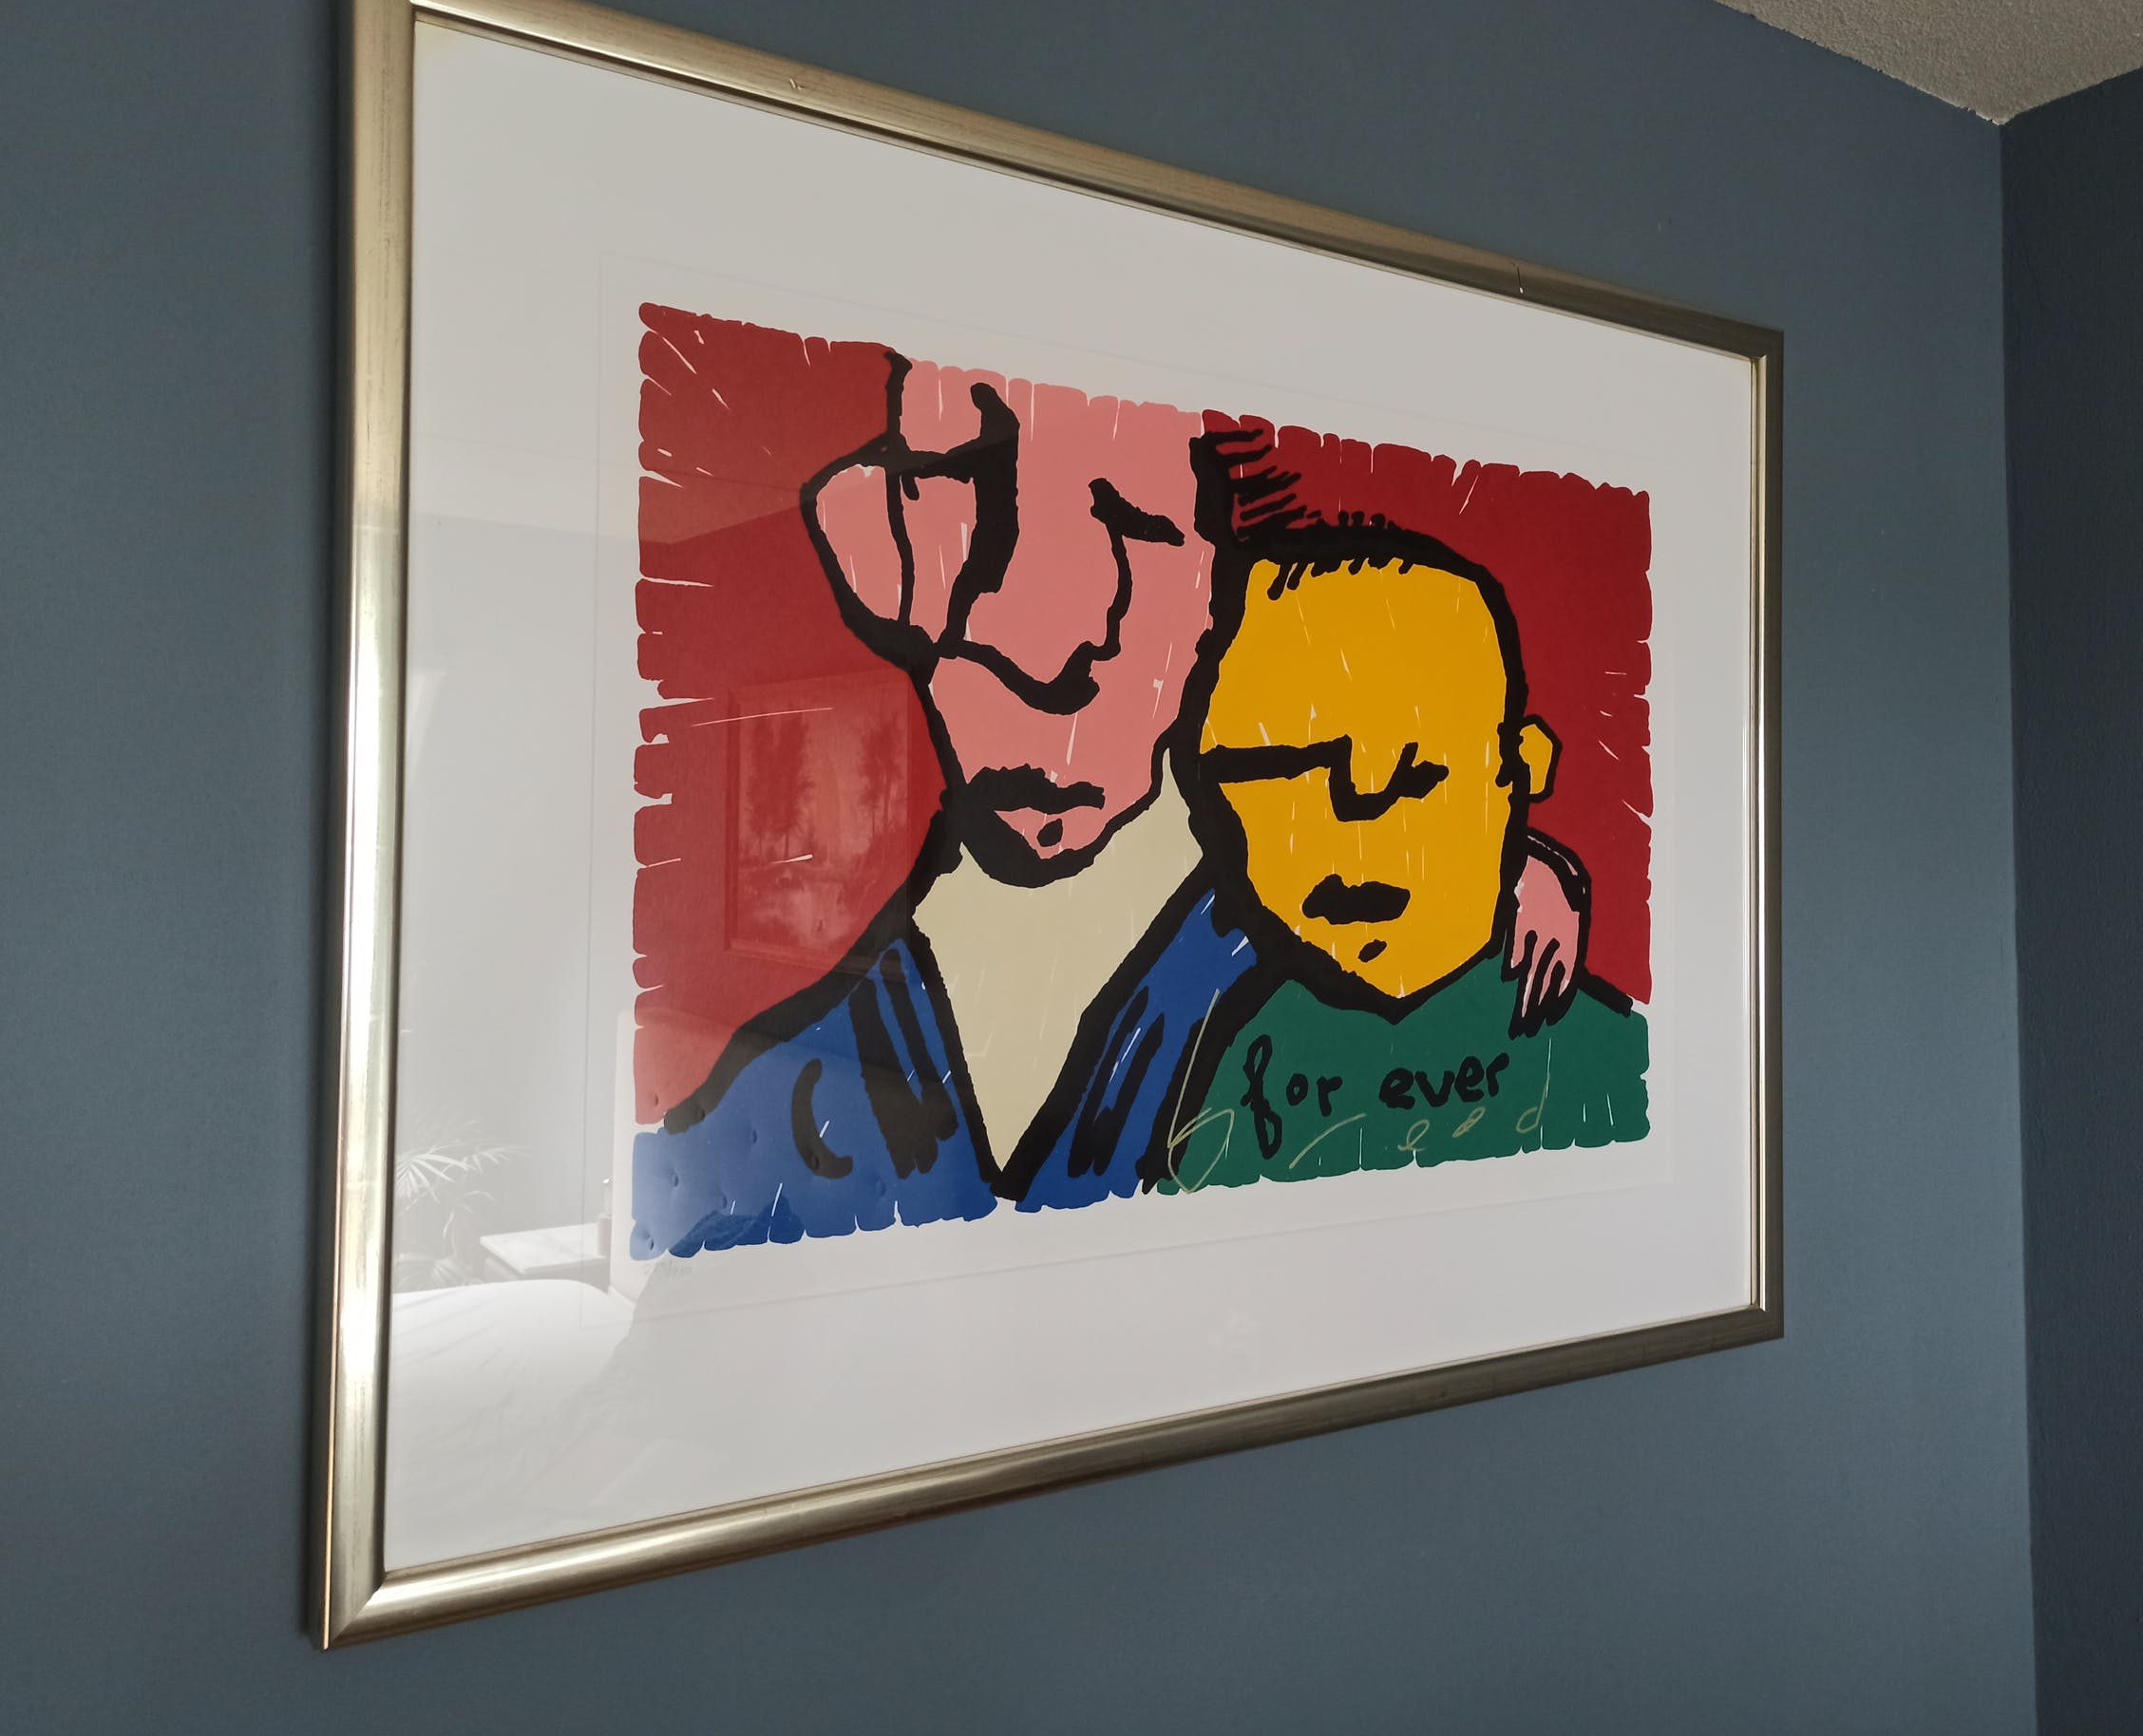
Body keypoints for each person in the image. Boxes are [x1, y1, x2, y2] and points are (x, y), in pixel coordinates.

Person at [628, 357, 1590, 1255]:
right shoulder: (779, 1099)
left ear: (1218, 598)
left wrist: (1485, 855)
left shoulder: (1355, 949)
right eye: (964, 503)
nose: (1043, 642)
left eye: (1134, 527)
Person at [1153, 523, 1649, 1193]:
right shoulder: (1227, 1030)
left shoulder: (1606, 1059)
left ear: (1522, 769)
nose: (1357, 827)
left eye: (1418, 775)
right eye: (1283, 769)